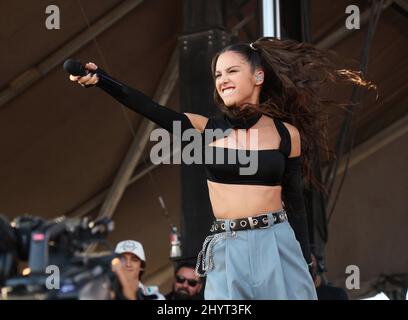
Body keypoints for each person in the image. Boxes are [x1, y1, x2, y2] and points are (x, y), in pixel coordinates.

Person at [69, 37, 374, 299]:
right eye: (217, 74)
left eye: (231, 71)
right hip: (227, 245)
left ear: (258, 77)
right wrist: (102, 80)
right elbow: (148, 107)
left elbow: (295, 202)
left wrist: (306, 257)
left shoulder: (286, 134)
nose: (222, 79)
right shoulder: (207, 129)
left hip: (276, 240)